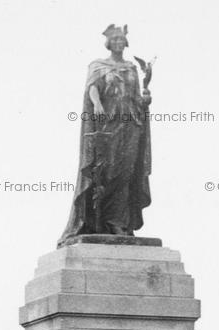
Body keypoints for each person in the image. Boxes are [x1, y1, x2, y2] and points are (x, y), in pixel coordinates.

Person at [58, 25, 152, 245]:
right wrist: (97, 103)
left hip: (130, 126)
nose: (118, 42)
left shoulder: (131, 68)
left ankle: (119, 223)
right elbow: (92, 87)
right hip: (107, 125)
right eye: (115, 39)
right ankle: (98, 222)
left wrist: (145, 100)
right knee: (105, 172)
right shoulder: (98, 66)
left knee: (126, 174)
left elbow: (136, 98)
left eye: (122, 39)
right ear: (109, 43)